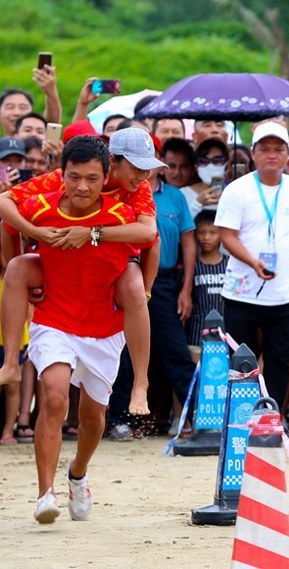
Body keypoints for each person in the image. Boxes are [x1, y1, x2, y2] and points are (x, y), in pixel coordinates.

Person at [18, 136, 149, 523]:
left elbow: (148, 237)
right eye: (74, 177)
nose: (82, 186)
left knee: (93, 419)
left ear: (106, 172)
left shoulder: (130, 201)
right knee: (54, 397)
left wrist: (92, 233)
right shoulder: (49, 194)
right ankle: (45, 494)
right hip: (55, 319)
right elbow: (8, 209)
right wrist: (35, 242)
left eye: (92, 178)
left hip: (104, 327)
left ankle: (78, 473)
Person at [0, 129, 161, 422]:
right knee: (17, 268)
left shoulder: (139, 188)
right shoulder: (69, 177)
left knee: (136, 289)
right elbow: (5, 203)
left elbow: (149, 233)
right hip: (64, 265)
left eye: (147, 168)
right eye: (137, 168)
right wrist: (36, 233)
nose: (143, 176)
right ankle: (11, 362)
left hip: (117, 260)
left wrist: (91, 234)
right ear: (113, 162)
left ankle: (141, 383)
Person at [215, 122, 289, 413]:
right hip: (241, 292)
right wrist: (252, 261)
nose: (271, 155)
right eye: (264, 149)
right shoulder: (237, 190)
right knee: (241, 361)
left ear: (288, 155)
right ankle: (240, 417)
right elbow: (226, 235)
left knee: (279, 359)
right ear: (253, 153)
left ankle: (272, 419)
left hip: (284, 294)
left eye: (278, 149)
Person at [107, 139, 196, 438]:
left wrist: (186, 290)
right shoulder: (117, 190)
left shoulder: (174, 196)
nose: (144, 169)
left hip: (165, 281)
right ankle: (120, 419)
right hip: (122, 273)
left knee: (175, 350)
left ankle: (194, 417)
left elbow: (183, 241)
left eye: (150, 159)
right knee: (122, 349)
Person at [184, 210, 227, 354]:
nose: (206, 237)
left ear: (222, 234)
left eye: (213, 232)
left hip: (226, 336)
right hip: (196, 335)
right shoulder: (191, 266)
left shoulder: (230, 266)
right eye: (201, 232)